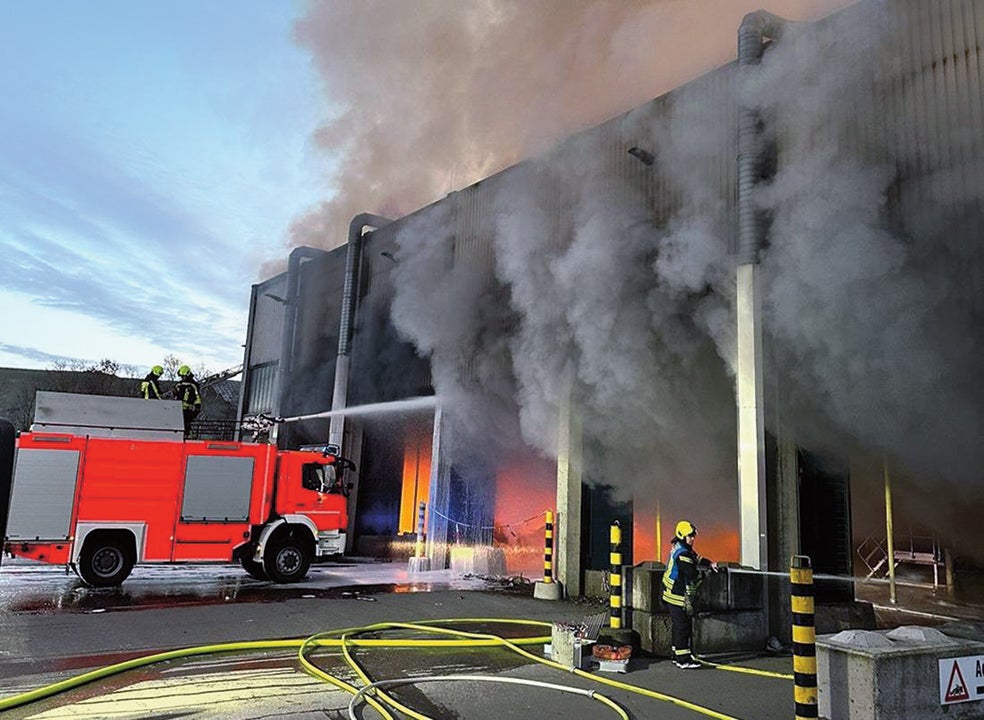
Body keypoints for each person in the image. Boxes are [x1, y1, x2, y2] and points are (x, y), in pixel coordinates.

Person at [661, 520, 717, 669]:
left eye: (693, 535)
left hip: (672, 593)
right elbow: (691, 573)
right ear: (682, 536)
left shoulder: (683, 548)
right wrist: (704, 575)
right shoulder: (683, 553)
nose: (693, 538)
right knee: (682, 627)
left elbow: (697, 559)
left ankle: (676, 654)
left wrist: (710, 563)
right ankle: (683, 659)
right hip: (678, 595)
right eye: (690, 536)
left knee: (679, 626)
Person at [174, 365, 202, 437]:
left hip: (187, 409)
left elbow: (197, 397)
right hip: (177, 409)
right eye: (181, 376)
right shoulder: (179, 384)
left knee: (186, 425)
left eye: (183, 376)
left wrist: (197, 407)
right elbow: (175, 396)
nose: (182, 378)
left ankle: (187, 436)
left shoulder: (193, 385)